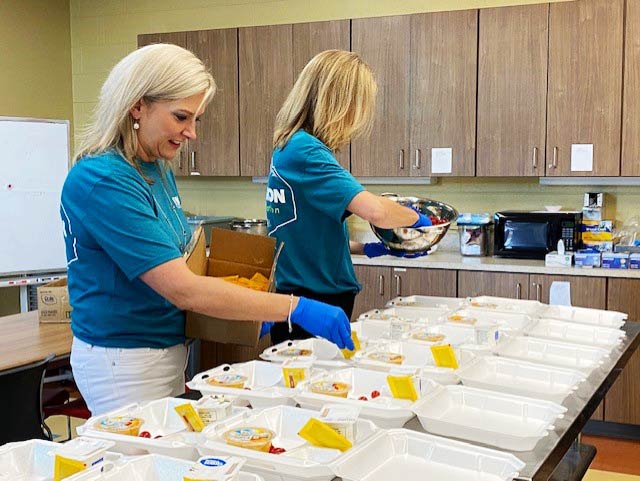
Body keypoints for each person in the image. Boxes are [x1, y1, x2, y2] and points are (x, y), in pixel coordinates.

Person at [60, 44, 353, 416]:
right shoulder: (104, 180)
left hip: (162, 351)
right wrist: (295, 307)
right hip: (124, 361)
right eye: (181, 117)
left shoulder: (155, 168)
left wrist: (245, 305)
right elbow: (183, 288)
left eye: (196, 118)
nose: (191, 133)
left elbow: (183, 260)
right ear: (137, 106)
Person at [266, 49, 432, 345]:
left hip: (304, 297)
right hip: (314, 301)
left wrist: (365, 249)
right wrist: (422, 220)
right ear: (340, 103)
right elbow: (375, 211)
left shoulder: (289, 145)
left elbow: (305, 232)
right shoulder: (306, 151)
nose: (359, 118)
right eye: (359, 105)